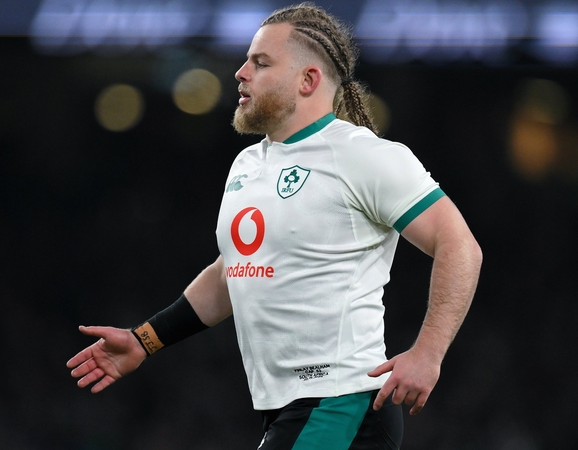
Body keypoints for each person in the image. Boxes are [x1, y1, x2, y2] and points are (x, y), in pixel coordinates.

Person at [66, 2, 482, 449]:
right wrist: (144, 340)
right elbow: (234, 272)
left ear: (309, 80)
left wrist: (428, 353)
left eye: (260, 63)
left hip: (340, 402)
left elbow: (459, 244)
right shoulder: (248, 164)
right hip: (287, 409)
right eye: (246, 60)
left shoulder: (364, 156)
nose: (240, 73)